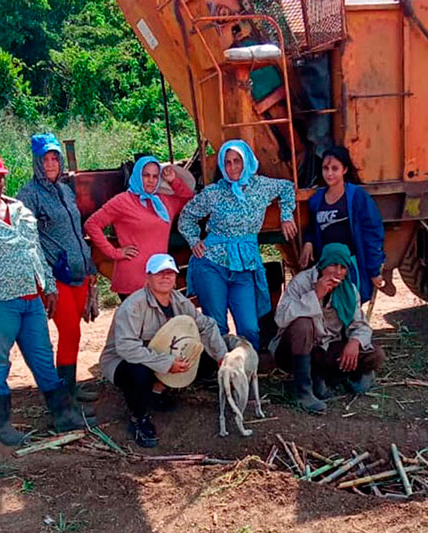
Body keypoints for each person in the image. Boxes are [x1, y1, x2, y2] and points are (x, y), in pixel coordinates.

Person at [0, 151, 88, 446]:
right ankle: (1, 425)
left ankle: (62, 414)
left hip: (30, 301)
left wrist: (48, 286)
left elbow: (35, 251)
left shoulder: (21, 211)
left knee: (43, 359)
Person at [178, 139, 297, 351]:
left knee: (249, 327)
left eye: (237, 161)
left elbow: (288, 188)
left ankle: (247, 371)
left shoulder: (261, 186)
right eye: (228, 162)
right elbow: (186, 216)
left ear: (247, 162)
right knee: (217, 324)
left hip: (244, 264)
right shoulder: (214, 192)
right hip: (212, 263)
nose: (232, 167)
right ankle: (224, 372)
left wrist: (286, 216)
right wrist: (194, 240)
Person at [99, 253, 227, 448]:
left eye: (170, 273)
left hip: (162, 356)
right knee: (137, 372)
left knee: (206, 359)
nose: (165, 277)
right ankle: (139, 418)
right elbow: (126, 348)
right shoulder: (133, 305)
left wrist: (221, 356)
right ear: (148, 277)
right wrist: (166, 364)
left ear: (175, 278)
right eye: (159, 273)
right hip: (123, 361)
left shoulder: (180, 301)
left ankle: (157, 390)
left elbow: (207, 325)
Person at [17, 133, 99, 410]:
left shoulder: (65, 190)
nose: (51, 163)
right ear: (36, 161)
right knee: (70, 332)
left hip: (79, 273)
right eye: (45, 158)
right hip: (55, 276)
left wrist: (90, 267)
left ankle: (70, 388)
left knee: (73, 332)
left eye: (55, 158)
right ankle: (63, 399)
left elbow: (76, 231)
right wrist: (46, 279)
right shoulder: (29, 195)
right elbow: (27, 242)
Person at [271, 243, 384, 414]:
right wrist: (315, 295)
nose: (337, 272)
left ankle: (325, 377)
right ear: (323, 264)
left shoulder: (349, 290)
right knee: (302, 324)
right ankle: (304, 392)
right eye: (333, 265)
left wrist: (354, 342)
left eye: (343, 267)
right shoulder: (302, 282)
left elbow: (360, 324)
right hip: (296, 349)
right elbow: (281, 318)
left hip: (327, 347)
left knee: (375, 354)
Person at [84, 156, 194, 300]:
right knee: (139, 322)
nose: (151, 180)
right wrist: (114, 252)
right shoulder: (123, 201)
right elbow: (91, 224)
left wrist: (173, 180)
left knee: (163, 322)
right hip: (132, 279)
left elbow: (188, 199)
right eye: (146, 175)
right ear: (137, 175)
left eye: (155, 176)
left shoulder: (164, 202)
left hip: (159, 277)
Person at [299, 146, 385, 303]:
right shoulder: (317, 199)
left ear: (344, 169)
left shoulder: (357, 197)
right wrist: (309, 242)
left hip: (351, 267)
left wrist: (374, 270)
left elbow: (372, 233)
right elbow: (312, 226)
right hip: (326, 268)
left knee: (352, 309)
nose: (329, 173)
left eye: (335, 168)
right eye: (325, 168)